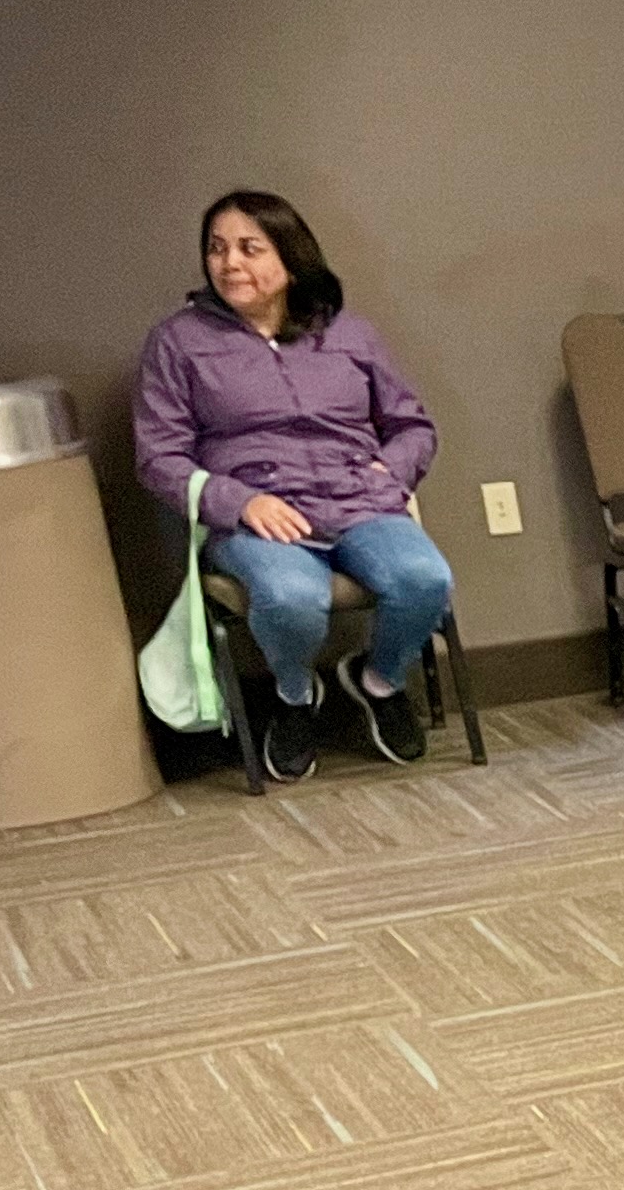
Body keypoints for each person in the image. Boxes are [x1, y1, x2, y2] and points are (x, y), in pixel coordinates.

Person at [131, 189, 452, 780]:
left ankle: (378, 681)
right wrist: (241, 501)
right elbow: (159, 458)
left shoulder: (349, 333)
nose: (230, 264)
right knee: (292, 598)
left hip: (360, 502)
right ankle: (295, 695)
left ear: (291, 257)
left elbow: (412, 424)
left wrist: (392, 473)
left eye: (250, 249)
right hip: (257, 514)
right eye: (217, 249)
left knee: (425, 580)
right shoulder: (178, 342)